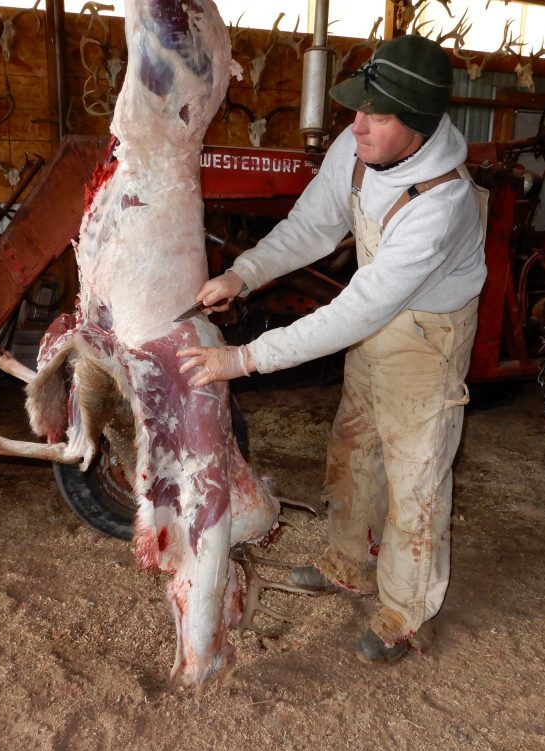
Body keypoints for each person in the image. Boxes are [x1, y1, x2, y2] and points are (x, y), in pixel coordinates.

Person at [177, 34, 488, 665]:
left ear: (420, 123)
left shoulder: (443, 203)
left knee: (416, 477)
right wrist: (243, 272)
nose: (358, 125)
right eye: (356, 110)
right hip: (376, 317)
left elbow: (357, 308)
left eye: (377, 115)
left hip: (426, 339)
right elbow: (312, 225)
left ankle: (404, 612)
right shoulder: (357, 148)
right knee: (355, 442)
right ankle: (349, 561)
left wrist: (244, 358)